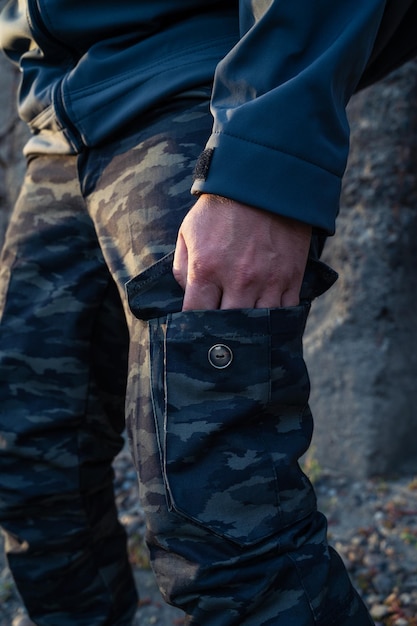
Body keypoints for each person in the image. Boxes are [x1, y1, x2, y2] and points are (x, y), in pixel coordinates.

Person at [0, 1, 416, 625]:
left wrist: (261, 155)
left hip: (201, 92)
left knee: (224, 531)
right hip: (60, 116)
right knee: (34, 468)